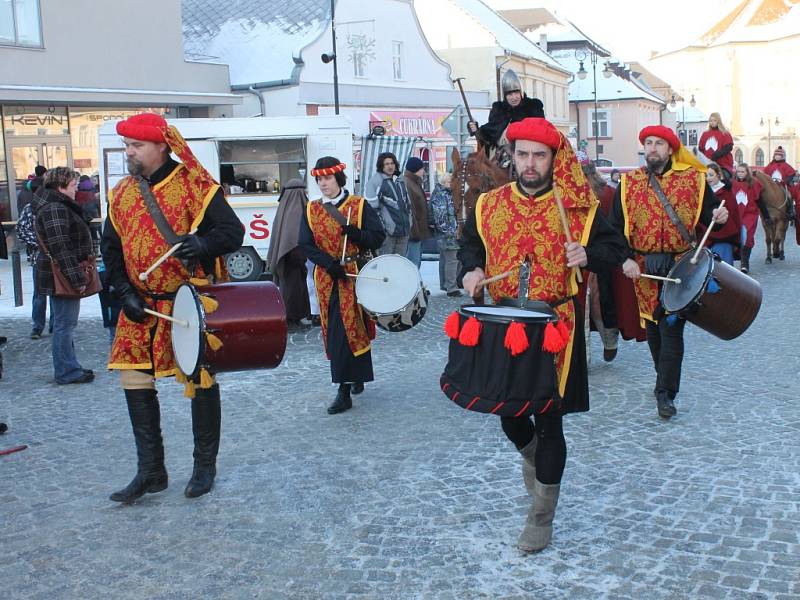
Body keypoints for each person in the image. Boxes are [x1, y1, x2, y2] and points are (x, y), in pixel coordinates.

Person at [458, 117, 628, 552]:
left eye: (539, 155)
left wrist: (587, 252)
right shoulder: (489, 204)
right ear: (511, 157)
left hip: (558, 329)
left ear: (554, 158)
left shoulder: (579, 210)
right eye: (523, 154)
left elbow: (615, 251)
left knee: (550, 422)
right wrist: (472, 270)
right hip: (504, 324)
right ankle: (532, 454)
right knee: (510, 416)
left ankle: (541, 515)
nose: (530, 164)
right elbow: (471, 246)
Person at [101, 113, 244, 503]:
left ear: (161, 146)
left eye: (136, 146)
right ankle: (151, 471)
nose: (129, 153)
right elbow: (110, 251)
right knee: (133, 380)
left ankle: (203, 467)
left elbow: (232, 233)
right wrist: (121, 291)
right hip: (139, 306)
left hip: (187, 304)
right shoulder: (121, 193)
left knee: (199, 382)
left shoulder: (194, 185)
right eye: (127, 146)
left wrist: (201, 245)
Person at [611, 126, 729, 419]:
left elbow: (714, 216)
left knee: (671, 328)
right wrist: (625, 259)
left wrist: (720, 216)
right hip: (644, 270)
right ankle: (662, 378)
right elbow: (613, 229)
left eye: (659, 143)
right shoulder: (628, 184)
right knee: (653, 330)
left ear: (670, 149)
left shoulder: (693, 180)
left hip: (680, 268)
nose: (652, 148)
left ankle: (666, 393)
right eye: (648, 143)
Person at [299, 156, 385, 415]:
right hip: (328, 278)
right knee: (337, 331)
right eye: (319, 179)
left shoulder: (358, 207)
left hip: (355, 274)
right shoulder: (312, 210)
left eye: (327, 178)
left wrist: (358, 235)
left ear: (339, 179)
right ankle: (343, 389)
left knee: (355, 327)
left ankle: (354, 377)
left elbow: (378, 237)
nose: (323, 184)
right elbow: (305, 244)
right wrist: (327, 263)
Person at [31, 167, 96, 385]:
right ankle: (67, 371)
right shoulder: (55, 208)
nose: (76, 189)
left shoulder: (55, 205)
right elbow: (61, 247)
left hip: (59, 272)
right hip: (62, 274)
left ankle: (70, 366)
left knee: (64, 323)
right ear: (60, 186)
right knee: (64, 324)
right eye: (73, 185)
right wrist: (77, 278)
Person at [581, 162, 621, 361]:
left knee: (598, 302)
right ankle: (582, 351)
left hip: (599, 256)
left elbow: (613, 226)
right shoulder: (570, 193)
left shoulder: (607, 194)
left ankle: (609, 338)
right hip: (577, 257)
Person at [265, 179, 311, 327]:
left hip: (286, 256)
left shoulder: (284, 206)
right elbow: (293, 238)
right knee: (293, 288)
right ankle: (292, 317)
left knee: (290, 287)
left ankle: (292, 316)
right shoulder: (297, 208)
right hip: (293, 256)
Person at [467, 69, 545, 153]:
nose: (514, 97)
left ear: (521, 93)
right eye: (510, 94)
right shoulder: (499, 110)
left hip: (528, 153)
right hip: (502, 155)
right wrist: (476, 130)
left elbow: (541, 131)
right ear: (505, 95)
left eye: (516, 93)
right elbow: (488, 135)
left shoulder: (532, 107)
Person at [15, 200, 53, 338]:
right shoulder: (31, 207)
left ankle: (51, 325)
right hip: (40, 256)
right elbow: (22, 230)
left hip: (51, 255)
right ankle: (38, 326)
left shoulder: (52, 205)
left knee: (54, 292)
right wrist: (40, 244)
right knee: (40, 293)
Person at [365, 152, 411, 256]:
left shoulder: (401, 179)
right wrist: (383, 229)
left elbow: (408, 204)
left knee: (399, 264)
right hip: (388, 234)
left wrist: (410, 223)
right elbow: (371, 209)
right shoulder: (375, 181)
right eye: (386, 164)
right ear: (381, 166)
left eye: (392, 163)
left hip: (403, 231)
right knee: (385, 265)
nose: (390, 166)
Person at [732, 163, 768, 273]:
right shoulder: (731, 183)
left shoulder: (754, 184)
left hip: (749, 215)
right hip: (736, 215)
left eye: (742, 171)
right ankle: (734, 259)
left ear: (747, 172)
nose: (740, 174)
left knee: (747, 237)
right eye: (738, 172)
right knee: (735, 237)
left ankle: (745, 263)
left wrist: (766, 216)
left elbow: (759, 201)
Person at [429, 171, 461, 296]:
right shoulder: (442, 195)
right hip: (447, 232)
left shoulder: (445, 193)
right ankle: (451, 287)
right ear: (444, 182)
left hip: (447, 231)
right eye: (450, 181)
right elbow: (440, 217)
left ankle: (445, 284)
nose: (453, 184)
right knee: (452, 260)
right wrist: (451, 231)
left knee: (446, 259)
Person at [704, 163, 741, 265]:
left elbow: (734, 214)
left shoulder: (726, 192)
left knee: (722, 268)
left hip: (723, 237)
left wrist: (736, 238)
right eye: (705, 176)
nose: (708, 178)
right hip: (704, 237)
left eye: (711, 175)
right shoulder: (702, 192)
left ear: (718, 175)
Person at [404, 157, 431, 268]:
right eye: (422, 169)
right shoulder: (408, 183)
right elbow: (410, 209)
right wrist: (414, 232)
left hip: (418, 230)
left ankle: (414, 284)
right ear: (416, 169)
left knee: (416, 261)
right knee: (412, 263)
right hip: (413, 232)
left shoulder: (414, 182)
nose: (424, 172)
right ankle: (411, 284)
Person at [763, 146, 797, 220]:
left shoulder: (786, 166)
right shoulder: (770, 165)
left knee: (789, 195)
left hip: (782, 185)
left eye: (779, 155)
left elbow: (792, 174)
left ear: (782, 156)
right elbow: (765, 174)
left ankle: (790, 210)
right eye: (776, 155)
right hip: (771, 186)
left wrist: (786, 180)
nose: (777, 157)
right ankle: (763, 210)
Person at [698, 113, 734, 179]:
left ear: (718, 121)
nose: (712, 122)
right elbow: (701, 148)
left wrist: (716, 155)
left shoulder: (725, 133)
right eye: (711, 121)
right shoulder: (705, 134)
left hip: (722, 164)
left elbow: (728, 147)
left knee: (723, 178)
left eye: (714, 120)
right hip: (707, 165)